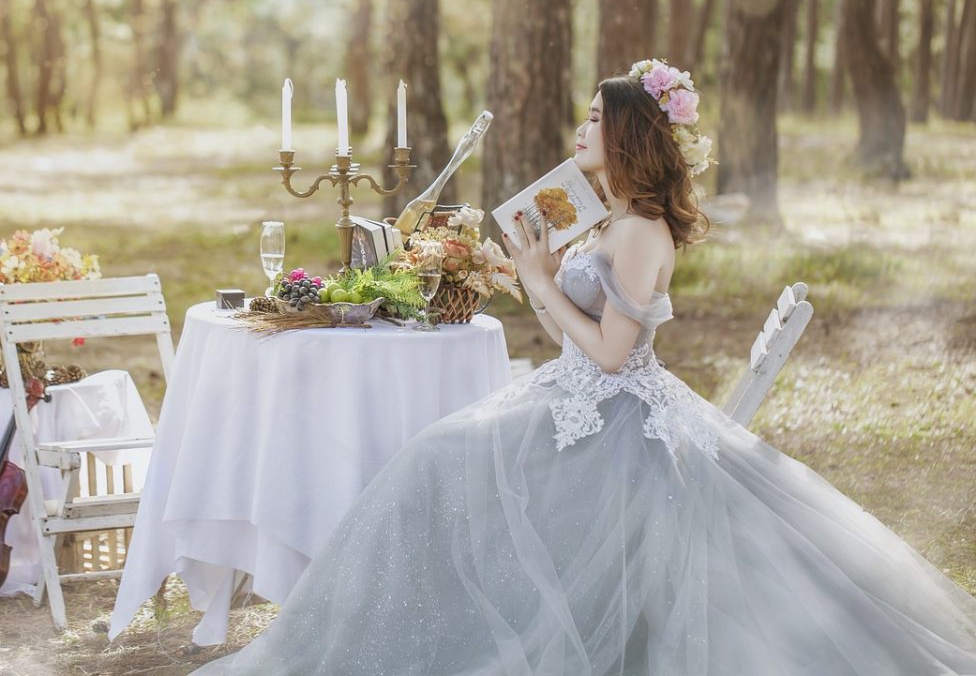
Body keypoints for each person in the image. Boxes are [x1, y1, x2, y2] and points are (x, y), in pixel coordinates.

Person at [190, 61, 976, 675]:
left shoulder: (640, 232)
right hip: (574, 397)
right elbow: (576, 335)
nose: (581, 126)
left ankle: (438, 641)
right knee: (430, 459)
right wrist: (529, 274)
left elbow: (611, 355)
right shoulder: (610, 219)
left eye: (596, 117)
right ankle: (404, 633)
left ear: (627, 132)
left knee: (433, 460)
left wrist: (541, 282)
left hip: (612, 423)